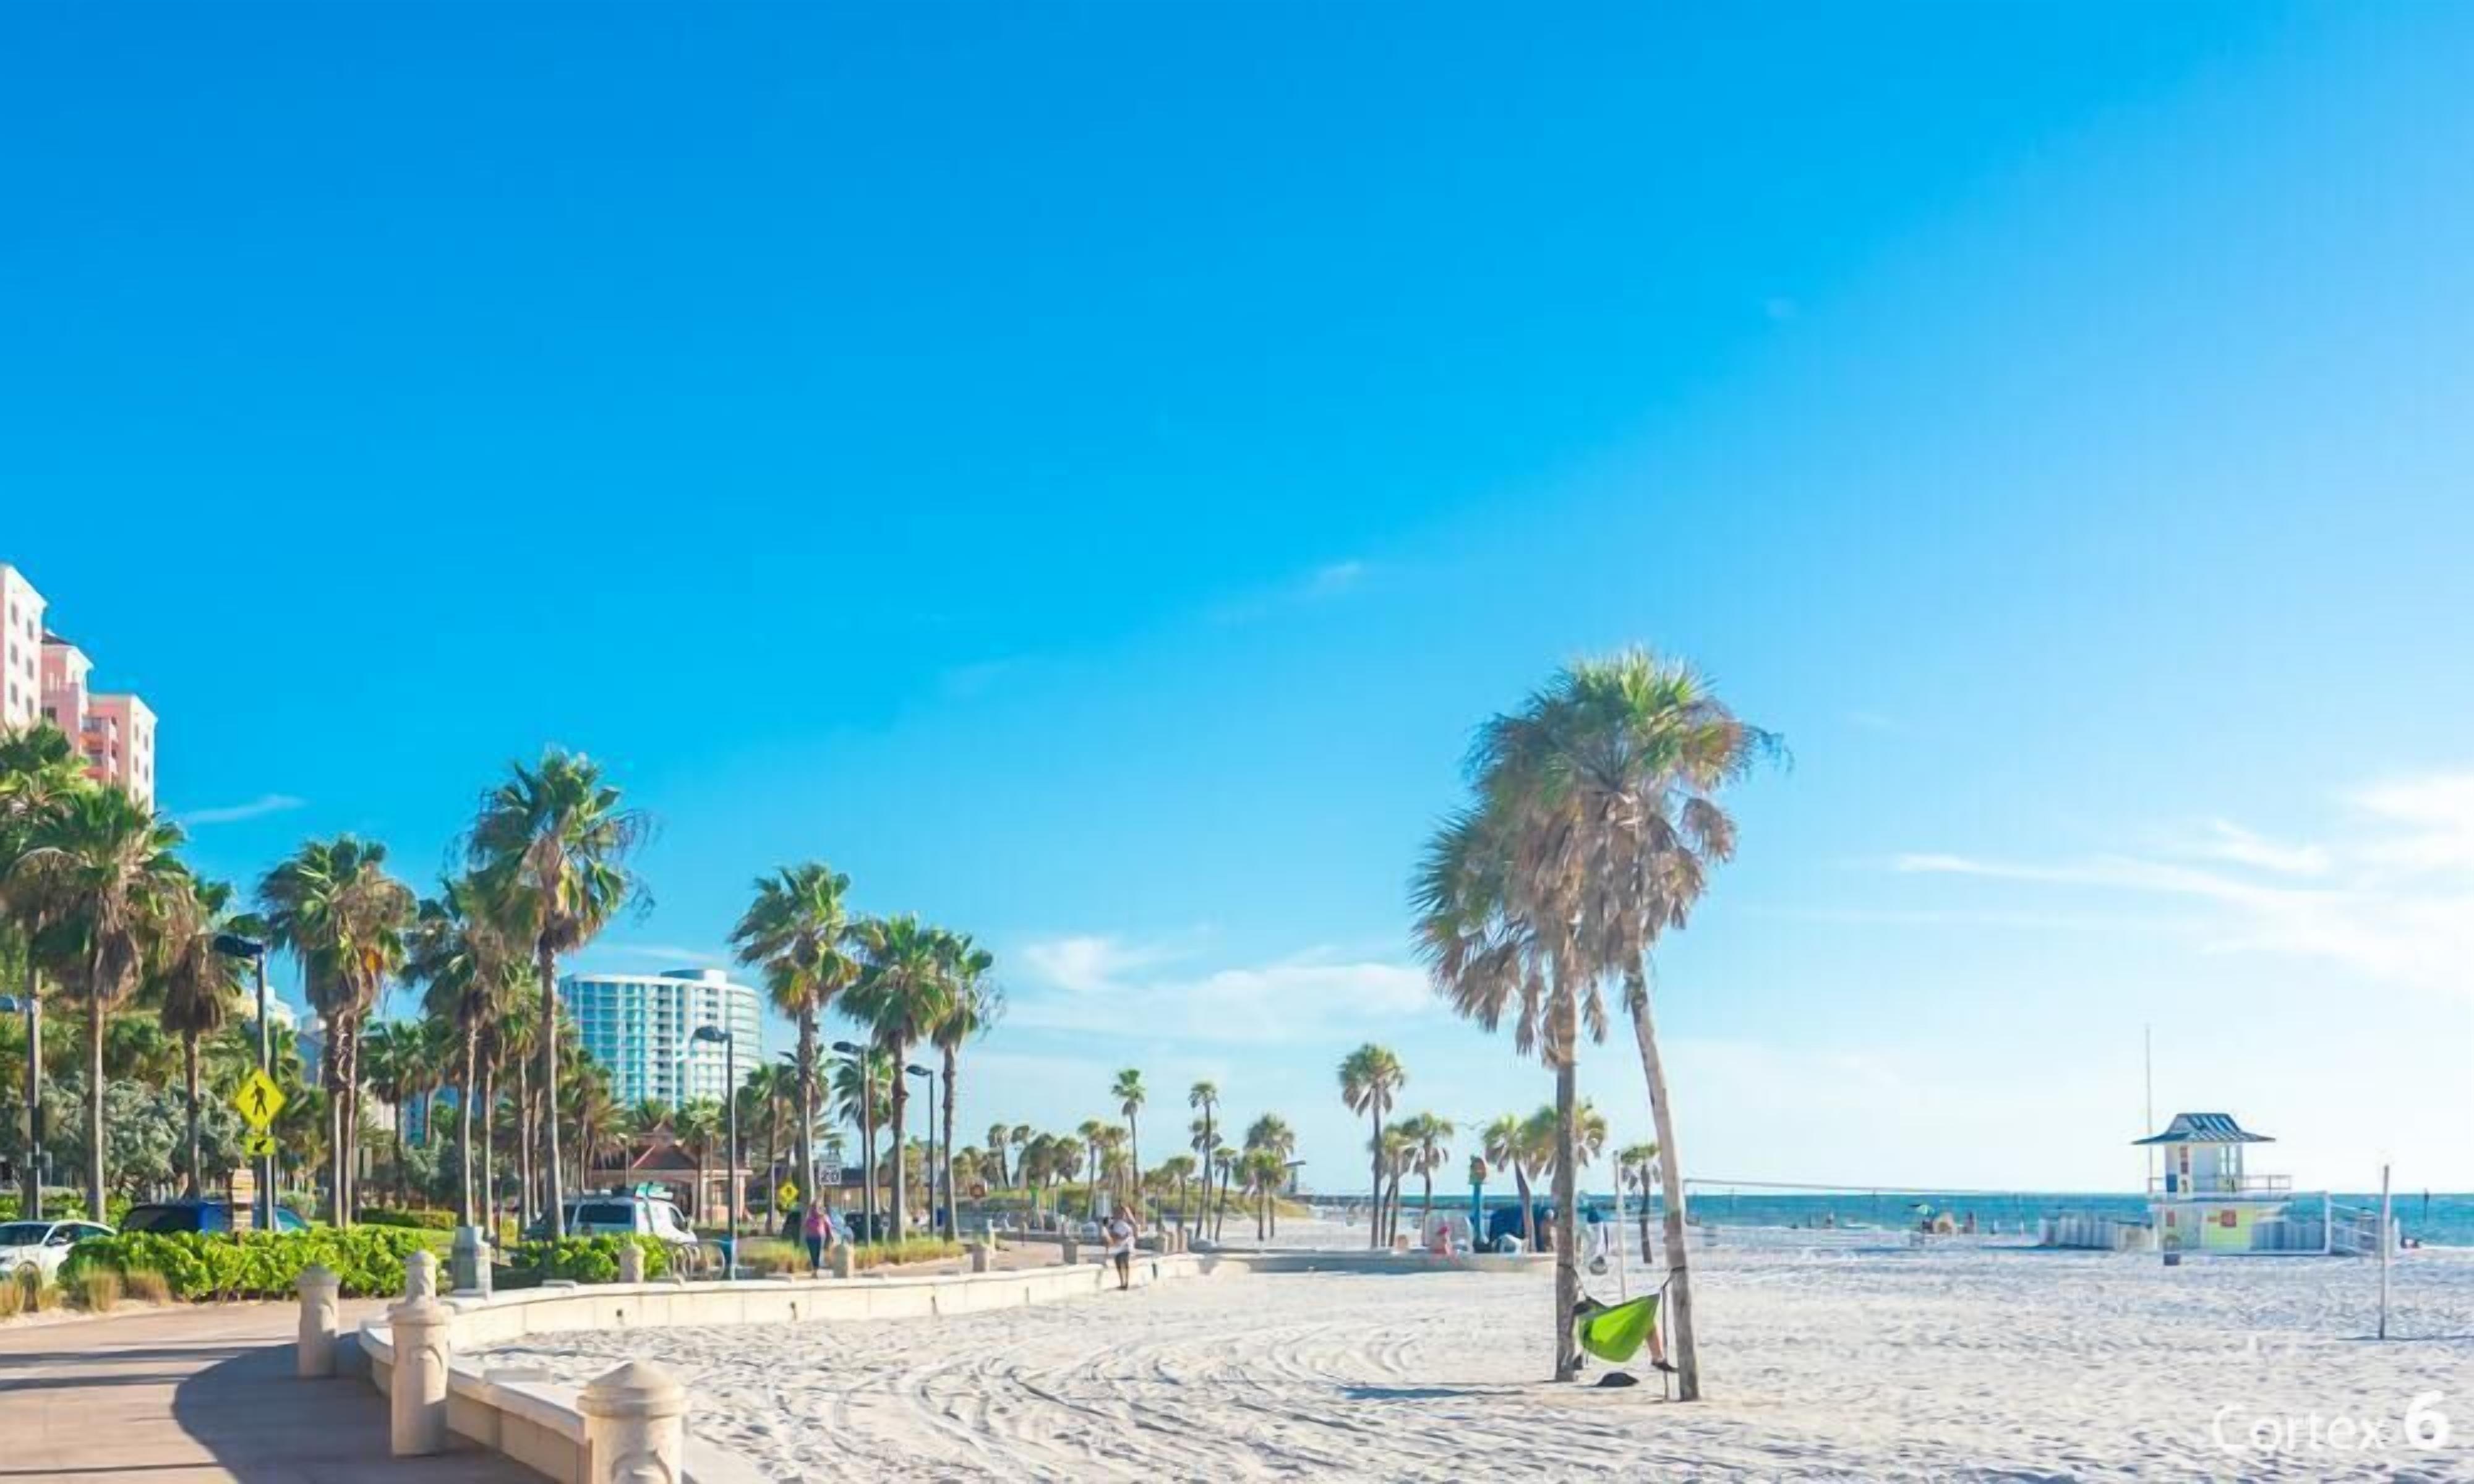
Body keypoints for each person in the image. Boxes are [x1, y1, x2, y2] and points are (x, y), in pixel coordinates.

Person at [1105, 1204, 1139, 1290]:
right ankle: (1123, 1282)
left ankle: (1125, 1283)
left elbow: (1128, 1234)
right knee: (1119, 1264)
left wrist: (1120, 1238)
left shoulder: (1124, 1224)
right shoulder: (1114, 1224)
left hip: (1126, 1246)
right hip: (1119, 1247)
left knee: (1124, 1264)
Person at [802, 1204, 829, 1275]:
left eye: (817, 1208)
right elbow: (805, 1226)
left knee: (818, 1254)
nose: (815, 1210)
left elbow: (828, 1225)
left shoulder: (822, 1216)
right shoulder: (809, 1217)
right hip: (811, 1237)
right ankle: (815, 1270)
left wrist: (830, 1235)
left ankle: (815, 1270)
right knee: (813, 1254)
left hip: (819, 1237)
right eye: (814, 1208)